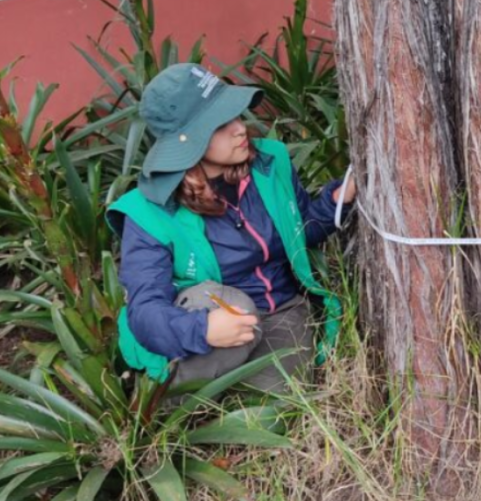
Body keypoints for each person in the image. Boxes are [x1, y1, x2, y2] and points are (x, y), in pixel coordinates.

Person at [105, 63, 355, 392]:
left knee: (280, 403)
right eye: (220, 124)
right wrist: (204, 329)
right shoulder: (148, 211)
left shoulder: (270, 163)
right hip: (204, 317)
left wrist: (339, 199)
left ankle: (228, 390)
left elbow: (297, 232)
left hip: (279, 311)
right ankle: (164, 395)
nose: (241, 129)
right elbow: (145, 310)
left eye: (236, 115)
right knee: (238, 310)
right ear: (187, 141)